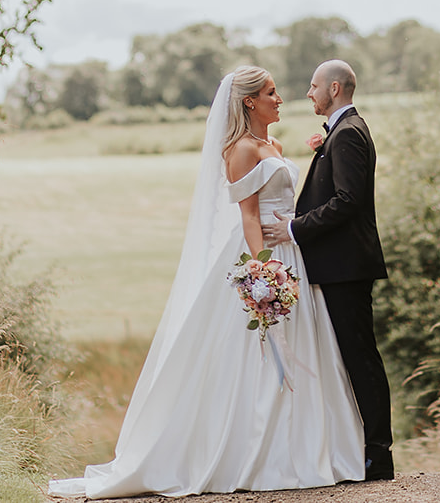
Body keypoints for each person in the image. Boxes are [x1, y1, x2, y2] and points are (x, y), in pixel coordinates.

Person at [48, 66, 364, 498]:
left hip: (295, 256)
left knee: (303, 350)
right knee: (254, 356)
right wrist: (263, 273)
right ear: (250, 101)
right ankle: (256, 452)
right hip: (265, 259)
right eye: (272, 93)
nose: (281, 99)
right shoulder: (239, 150)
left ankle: (302, 449)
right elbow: (249, 217)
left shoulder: (274, 144)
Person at [260, 59, 394, 481]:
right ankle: (359, 447)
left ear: (334, 88)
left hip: (346, 266)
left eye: (314, 86)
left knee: (360, 358)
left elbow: (348, 201)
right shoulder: (341, 132)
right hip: (338, 265)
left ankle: (378, 455)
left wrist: (294, 228)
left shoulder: (349, 133)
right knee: (350, 357)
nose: (308, 93)